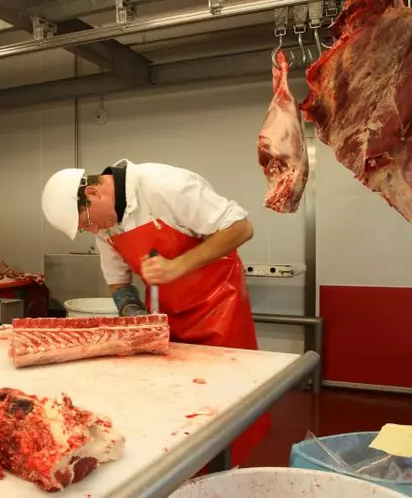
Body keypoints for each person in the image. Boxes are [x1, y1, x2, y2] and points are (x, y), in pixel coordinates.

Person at [41, 158, 270, 467]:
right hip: (166, 315)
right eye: (85, 229)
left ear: (94, 193)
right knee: (177, 405)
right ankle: (181, 471)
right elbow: (118, 282)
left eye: (87, 223)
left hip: (219, 306)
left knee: (227, 404)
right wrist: (133, 311)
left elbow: (241, 227)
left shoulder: (164, 185)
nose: (92, 231)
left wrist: (176, 267)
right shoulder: (106, 227)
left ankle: (230, 470)